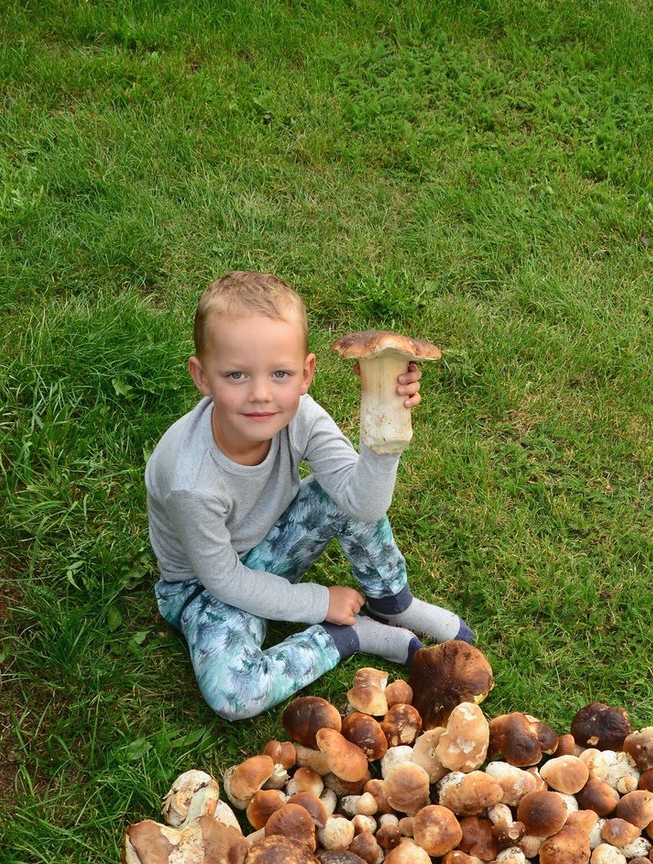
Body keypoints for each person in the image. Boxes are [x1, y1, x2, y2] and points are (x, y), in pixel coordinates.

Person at [145, 271, 474, 721]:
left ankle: (391, 600)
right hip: (204, 589)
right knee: (231, 694)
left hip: (266, 545)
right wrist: (320, 603)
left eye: (280, 373)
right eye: (236, 374)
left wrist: (387, 425)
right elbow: (225, 581)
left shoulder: (299, 414)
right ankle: (346, 637)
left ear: (306, 374)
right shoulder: (191, 481)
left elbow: (361, 502)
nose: (261, 394)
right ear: (202, 377)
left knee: (341, 490)